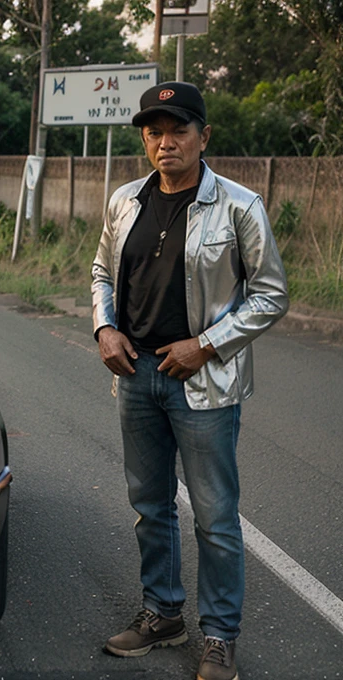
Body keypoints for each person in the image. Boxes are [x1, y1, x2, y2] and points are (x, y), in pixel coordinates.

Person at [91, 81, 289, 680]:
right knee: (150, 506)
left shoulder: (238, 205)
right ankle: (162, 613)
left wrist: (205, 344)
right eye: (154, 131)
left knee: (215, 518)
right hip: (137, 374)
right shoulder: (125, 200)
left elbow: (271, 294)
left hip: (202, 382)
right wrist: (104, 329)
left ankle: (220, 636)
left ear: (205, 136)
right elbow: (102, 270)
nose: (165, 142)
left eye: (178, 129)